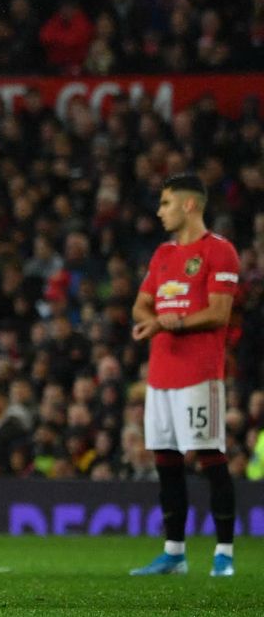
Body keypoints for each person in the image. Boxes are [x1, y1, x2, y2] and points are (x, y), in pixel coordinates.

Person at [130, 174, 239, 578]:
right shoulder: (162, 255)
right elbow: (141, 306)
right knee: (166, 461)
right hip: (160, 376)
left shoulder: (220, 252)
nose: (160, 211)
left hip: (199, 374)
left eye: (165, 203)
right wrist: (157, 320)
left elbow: (219, 312)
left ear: (189, 205)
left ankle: (224, 553)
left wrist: (172, 322)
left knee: (210, 457)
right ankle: (174, 552)